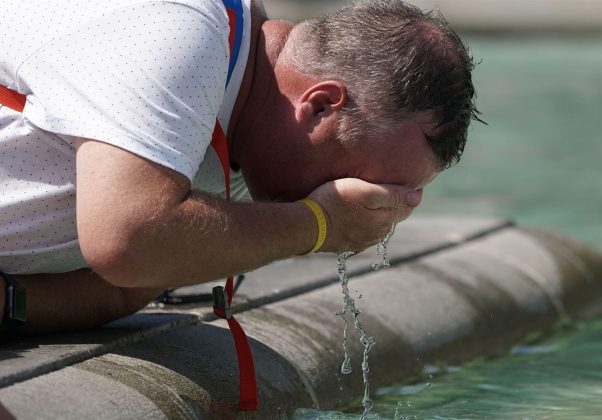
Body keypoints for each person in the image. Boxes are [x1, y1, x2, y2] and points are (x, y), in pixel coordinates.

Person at [0, 0, 480, 334]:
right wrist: (318, 223)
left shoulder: (248, 136)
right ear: (319, 106)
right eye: (365, 181)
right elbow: (130, 240)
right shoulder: (178, 32)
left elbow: (123, 289)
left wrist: (12, 304)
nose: (358, 199)